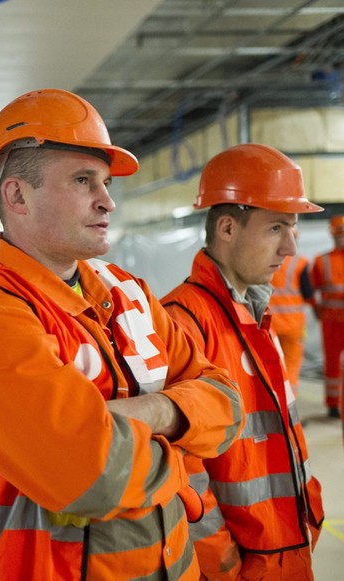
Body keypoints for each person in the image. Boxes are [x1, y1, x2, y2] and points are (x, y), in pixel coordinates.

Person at [0, 88, 245, 579]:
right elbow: (92, 478)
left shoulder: (128, 294)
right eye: (84, 181)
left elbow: (229, 403)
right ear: (16, 195)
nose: (107, 201)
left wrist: (149, 410)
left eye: (104, 182)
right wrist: (184, 436)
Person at [161, 143, 325, 580]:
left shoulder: (253, 316)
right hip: (243, 565)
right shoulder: (184, 324)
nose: (290, 247)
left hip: (285, 546)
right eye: (277, 228)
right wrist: (223, 565)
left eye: (292, 228)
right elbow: (184, 475)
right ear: (228, 228)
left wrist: (308, 514)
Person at [310, 214, 344, 418]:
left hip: (331, 320)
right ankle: (332, 404)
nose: (340, 238)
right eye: (337, 234)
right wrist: (317, 310)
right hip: (331, 321)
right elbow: (310, 290)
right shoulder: (322, 261)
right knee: (331, 363)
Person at [268, 250, 313, 394]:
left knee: (270, 366)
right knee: (291, 365)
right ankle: (289, 405)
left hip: (268, 324)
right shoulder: (300, 263)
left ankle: (271, 404)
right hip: (293, 326)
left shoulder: (260, 259)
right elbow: (308, 294)